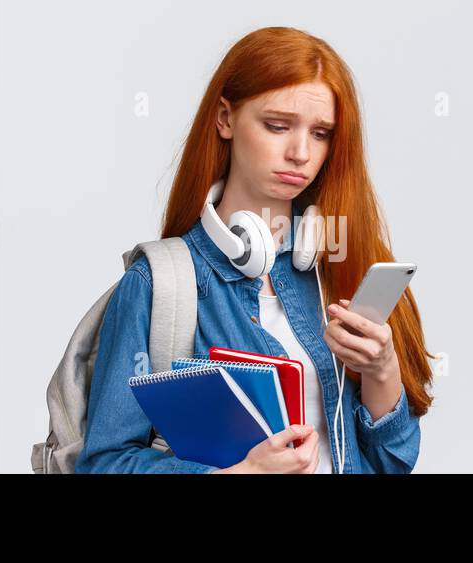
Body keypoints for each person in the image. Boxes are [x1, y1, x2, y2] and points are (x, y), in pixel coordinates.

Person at [74, 26, 434, 474]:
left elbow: (393, 462)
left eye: (321, 133)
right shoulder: (157, 286)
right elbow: (104, 463)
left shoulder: (338, 267)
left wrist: (382, 368)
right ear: (225, 119)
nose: (301, 152)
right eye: (278, 125)